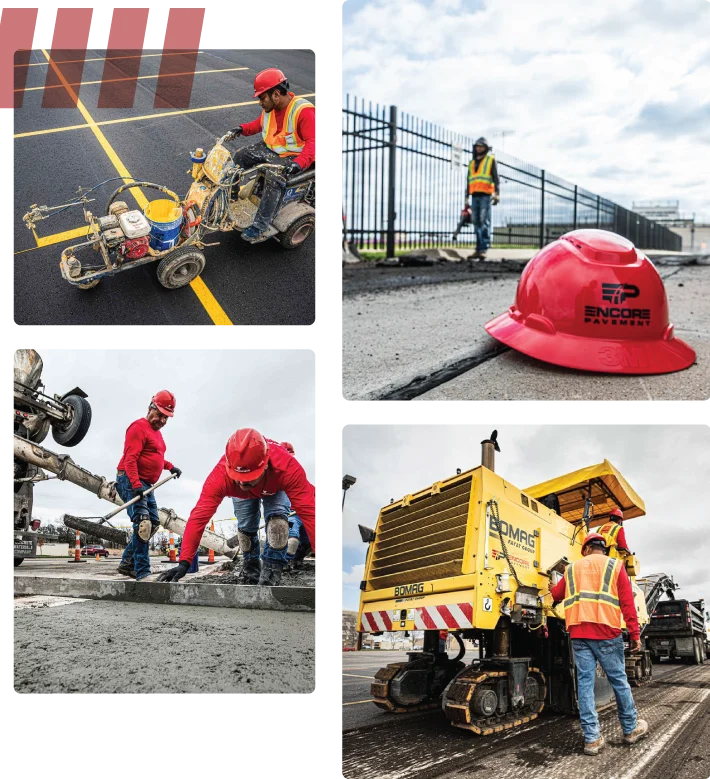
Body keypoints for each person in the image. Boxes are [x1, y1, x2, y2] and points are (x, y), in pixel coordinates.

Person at [158, 428, 316, 586]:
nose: (242, 483)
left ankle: (272, 570)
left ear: (265, 465)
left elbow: (311, 516)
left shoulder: (287, 468)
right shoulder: (220, 476)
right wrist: (184, 562)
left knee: (278, 526)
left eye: (249, 478)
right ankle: (250, 568)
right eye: (238, 477)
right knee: (246, 530)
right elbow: (198, 518)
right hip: (241, 494)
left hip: (275, 488)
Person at [550, 532, 648, 755]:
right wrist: (634, 634)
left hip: (579, 635)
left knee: (585, 684)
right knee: (619, 680)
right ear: (603, 548)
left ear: (585, 549)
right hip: (607, 632)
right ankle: (630, 730)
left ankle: (592, 739)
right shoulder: (615, 566)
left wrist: (549, 586)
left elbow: (556, 594)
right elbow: (627, 604)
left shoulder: (572, 568)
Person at [225, 68, 316, 244]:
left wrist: (297, 164)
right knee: (240, 156)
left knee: (274, 178)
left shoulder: (303, 111)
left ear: (275, 94)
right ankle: (233, 197)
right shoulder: (271, 108)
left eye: (261, 97)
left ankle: (260, 226)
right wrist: (241, 129)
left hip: (293, 157)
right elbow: (258, 125)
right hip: (272, 149)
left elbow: (312, 145)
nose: (260, 102)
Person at [115, 391, 182, 581]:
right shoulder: (138, 428)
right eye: (160, 415)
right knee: (143, 523)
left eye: (166, 417)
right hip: (130, 479)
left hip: (146, 483)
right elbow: (131, 459)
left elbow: (156, 457)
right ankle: (142, 572)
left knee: (153, 524)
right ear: (150, 408)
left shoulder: (157, 435)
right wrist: (136, 485)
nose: (162, 420)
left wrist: (170, 467)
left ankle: (127, 563)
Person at [465, 137, 500, 261]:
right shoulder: (472, 163)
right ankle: (478, 248)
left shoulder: (490, 160)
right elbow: (468, 181)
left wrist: (497, 193)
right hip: (474, 195)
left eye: (481, 146)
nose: (479, 148)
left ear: (485, 148)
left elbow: (495, 178)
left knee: (484, 221)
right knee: (476, 222)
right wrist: (466, 197)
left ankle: (484, 248)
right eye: (477, 146)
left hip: (485, 195)